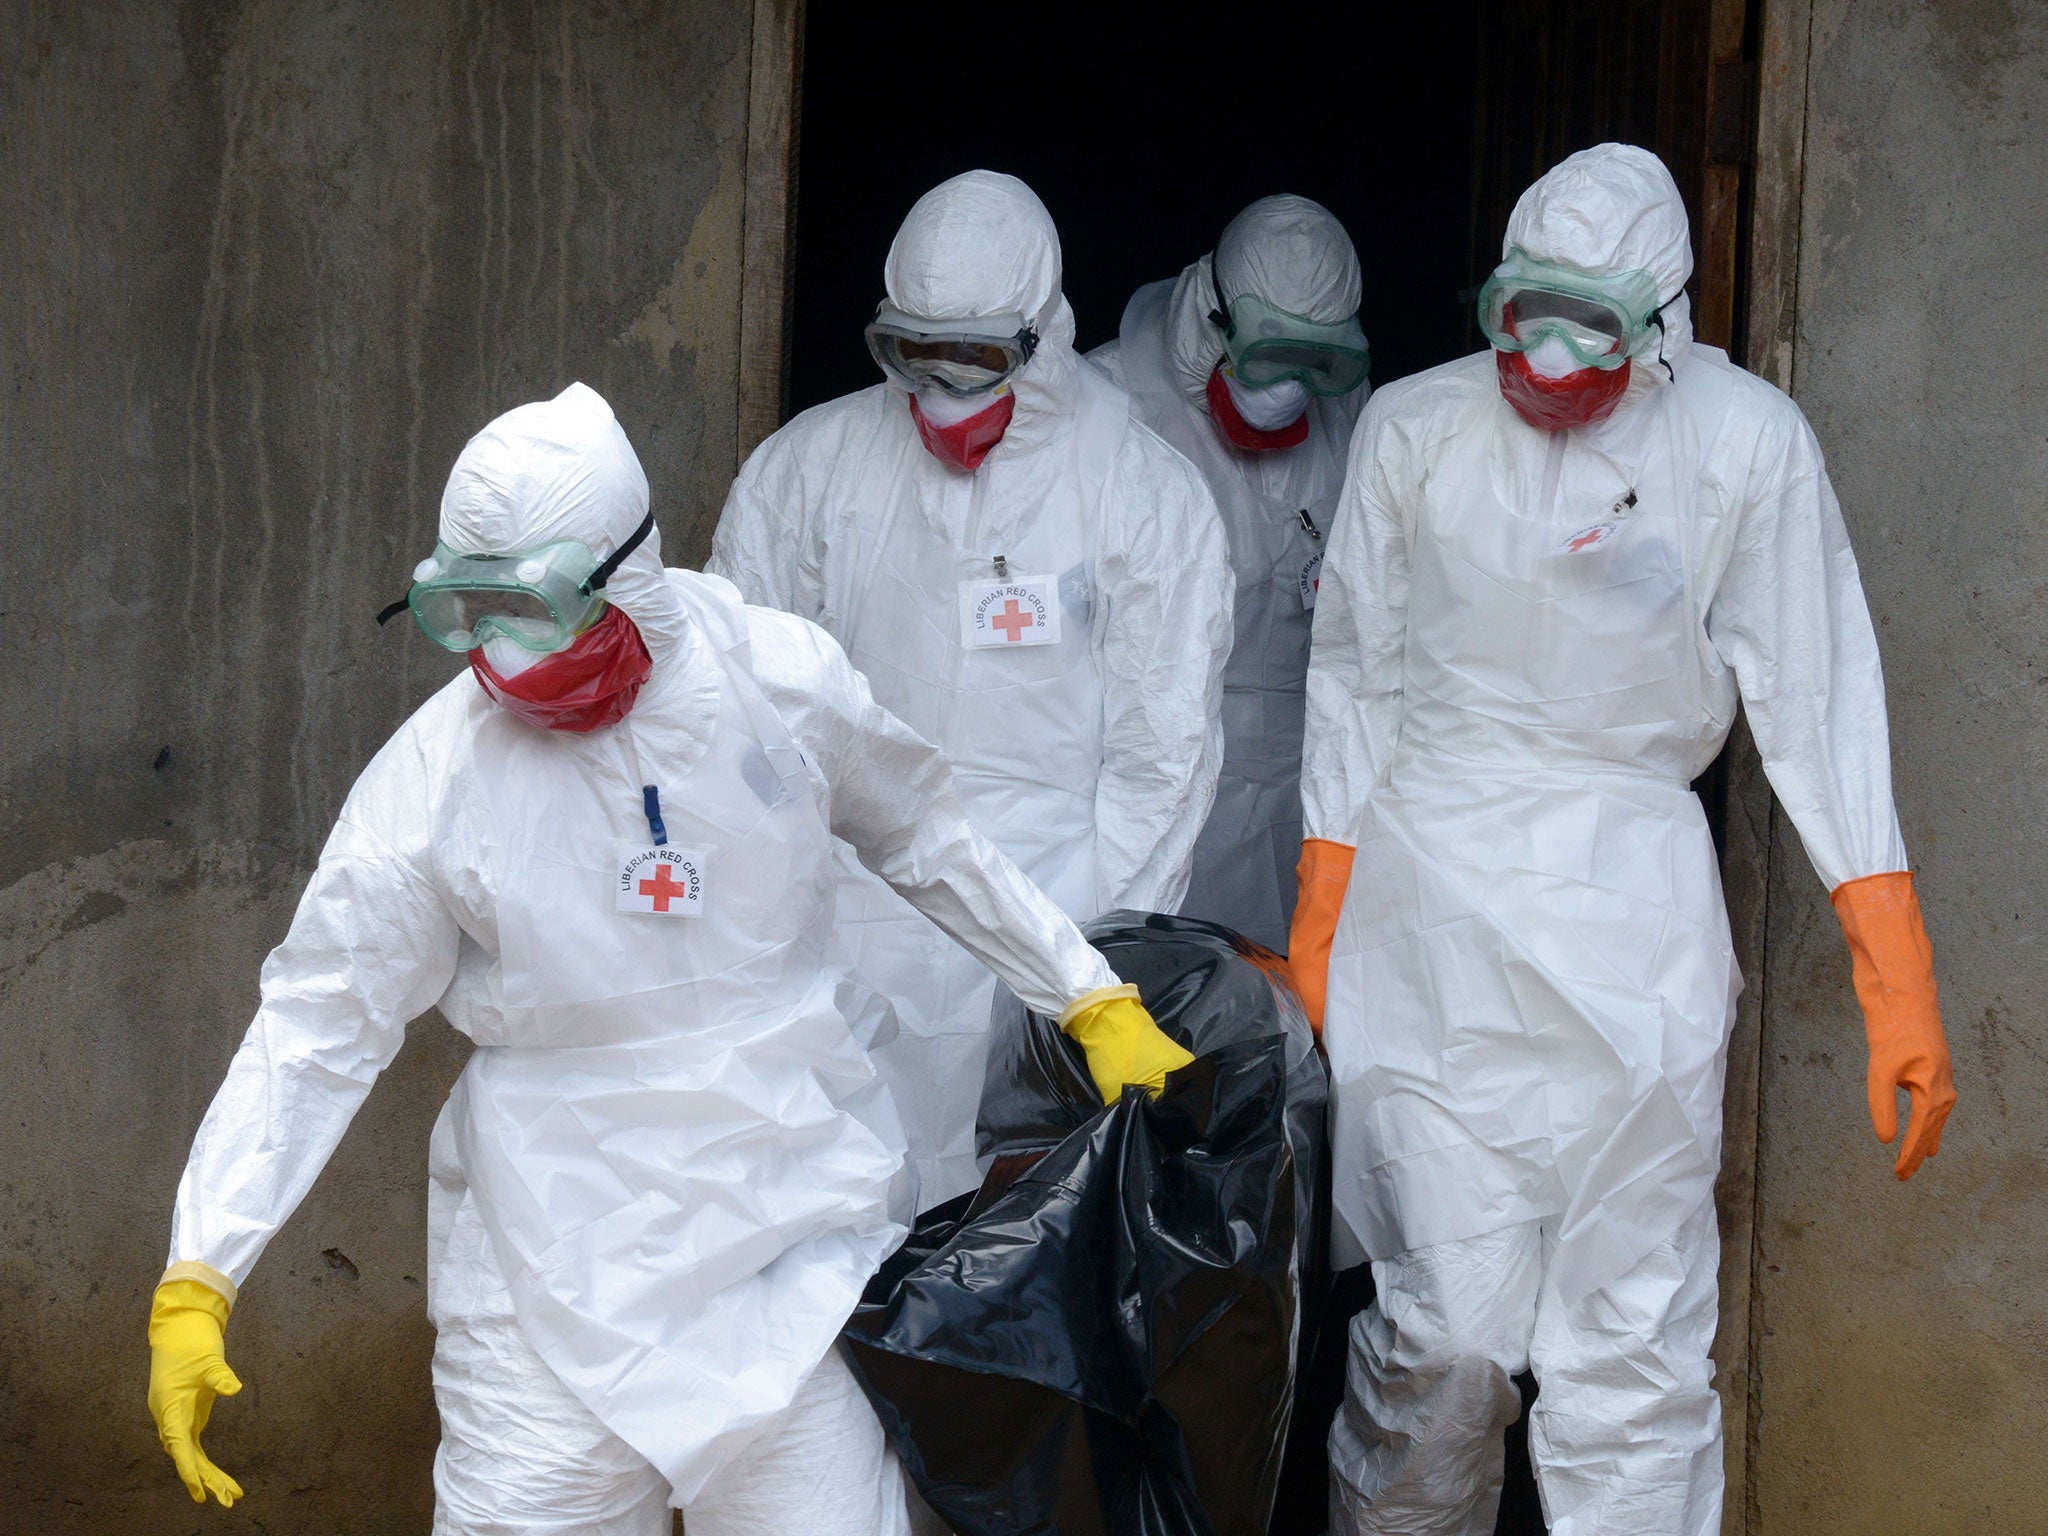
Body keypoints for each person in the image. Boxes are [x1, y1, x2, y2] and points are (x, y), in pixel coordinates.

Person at [145, 383, 1194, 1535]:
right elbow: (321, 1020)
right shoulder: (437, 779)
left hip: (785, 1228)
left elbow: (923, 834)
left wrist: (1083, 993)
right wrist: (203, 1271)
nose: (499, 650)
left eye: (528, 607)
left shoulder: (779, 686)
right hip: (553, 1255)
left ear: (626, 573)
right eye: (469, 610)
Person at [1287, 145, 1956, 1535]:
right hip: (1431, 917)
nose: (1543, 353)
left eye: (1586, 322)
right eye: (1520, 310)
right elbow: (1356, 674)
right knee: (1444, 1339)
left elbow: (1814, 689)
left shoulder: (1744, 439)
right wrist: (1319, 919)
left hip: (1634, 915)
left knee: (1632, 1352)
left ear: (1664, 324)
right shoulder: (1412, 430)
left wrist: (1890, 960)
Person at [710, 170, 1232, 1208]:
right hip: (847, 923)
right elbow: (740, 720)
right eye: (913, 356)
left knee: (998, 1250)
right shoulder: (808, 469)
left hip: (1048, 921)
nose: (943, 390)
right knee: (832, 1231)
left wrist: (1094, 974)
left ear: (1039, 338)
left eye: (978, 360)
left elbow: (1158, 758)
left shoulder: (1139, 489)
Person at [1091, 194, 1370, 952]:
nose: (1289, 386)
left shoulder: (1351, 418)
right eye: (1270, 355)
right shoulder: (1106, 411)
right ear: (1212, 319)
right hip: (1154, 783)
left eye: (1316, 362)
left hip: (1296, 789)